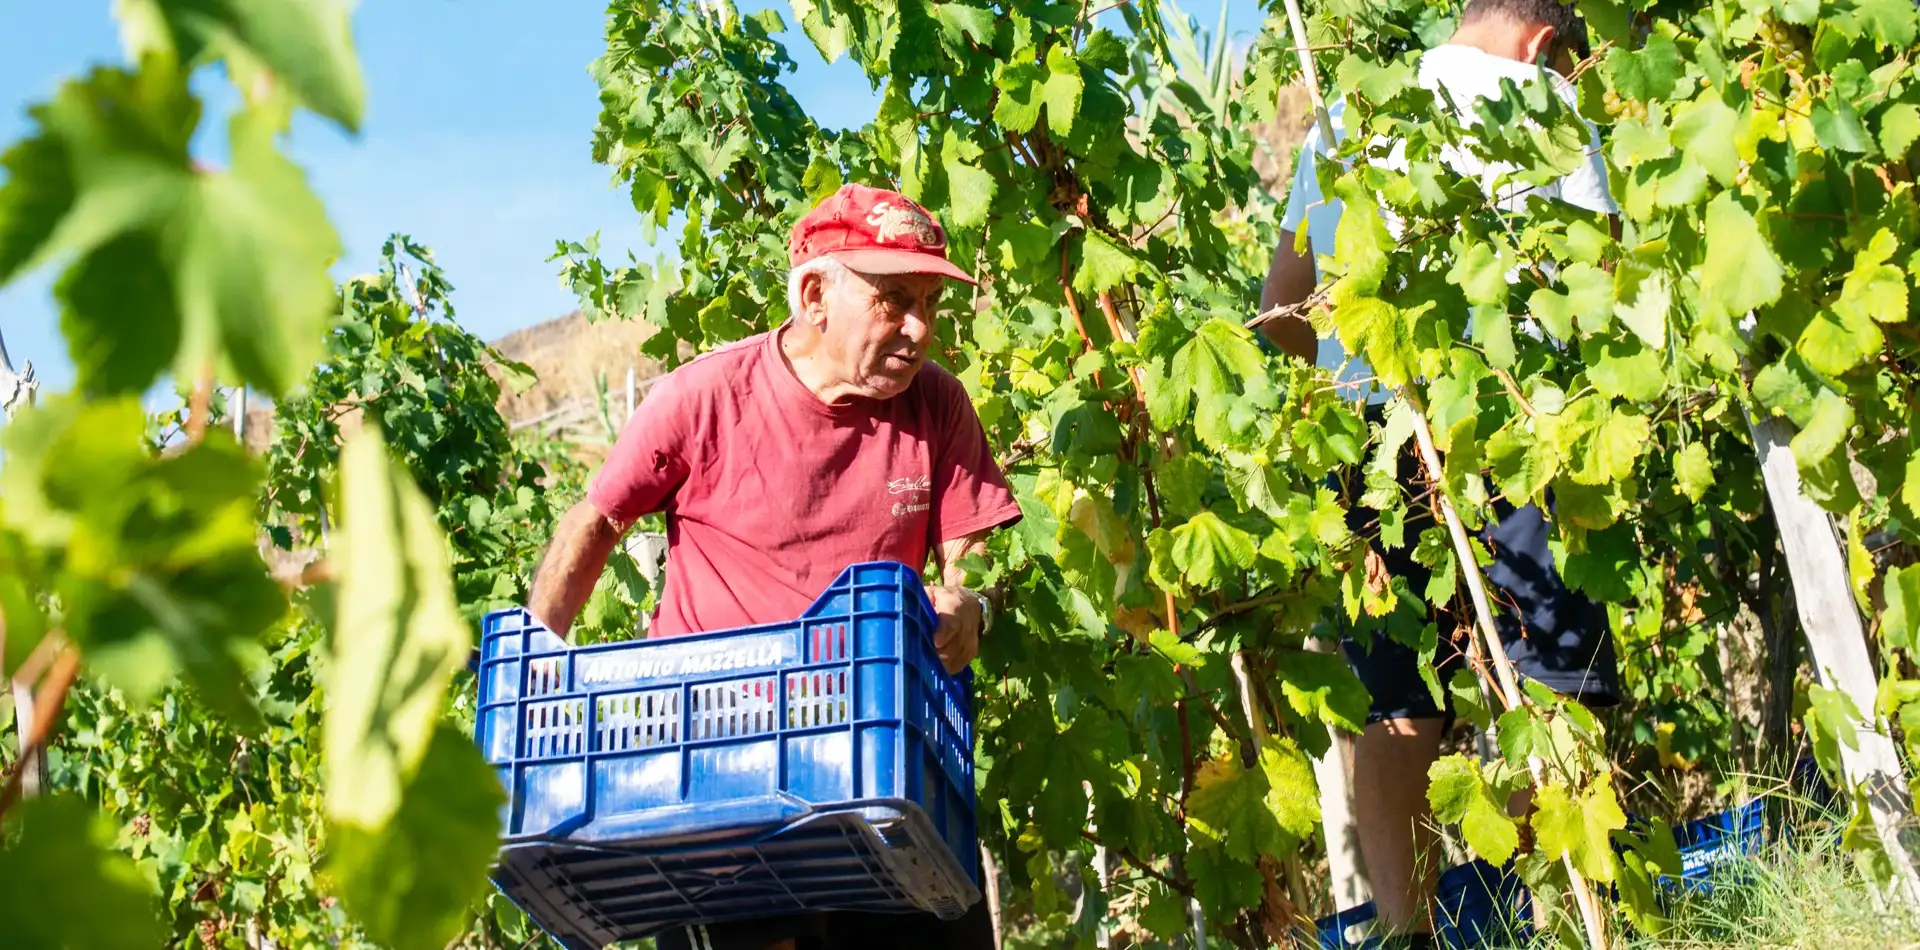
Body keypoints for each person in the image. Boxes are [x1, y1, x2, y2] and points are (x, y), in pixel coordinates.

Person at [527, 183, 1022, 950]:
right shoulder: (705, 396)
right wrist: (537, 665)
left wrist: (969, 604)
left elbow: (970, 552)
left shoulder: (938, 406)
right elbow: (595, 521)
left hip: (877, 767)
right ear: (815, 294)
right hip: (725, 778)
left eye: (930, 303)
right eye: (894, 300)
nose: (920, 328)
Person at [1258, 2, 1622, 946]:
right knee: (1555, 688)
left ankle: (1407, 933)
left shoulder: (1349, 116)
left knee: (1398, 710)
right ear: (1545, 44)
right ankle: (1580, 923)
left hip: (1370, 443)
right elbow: (1598, 284)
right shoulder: (1543, 109)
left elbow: (1281, 310)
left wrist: (1359, 394)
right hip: (1510, 419)